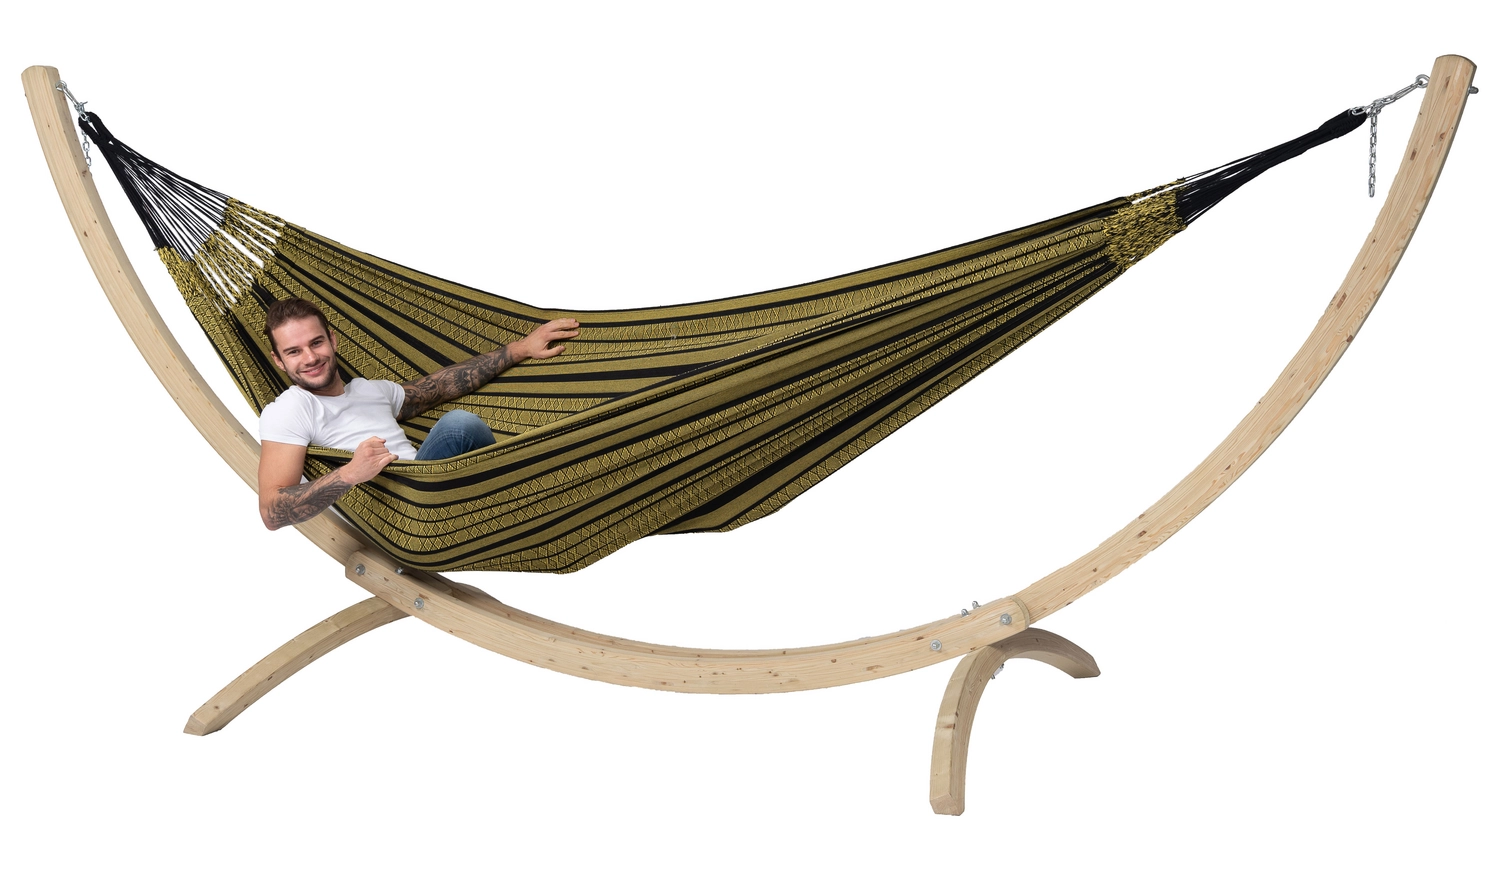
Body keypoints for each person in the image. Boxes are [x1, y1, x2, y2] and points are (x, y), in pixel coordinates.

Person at [257, 298, 579, 531]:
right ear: (278, 361)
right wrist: (350, 474)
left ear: (333, 341)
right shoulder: (292, 408)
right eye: (294, 351)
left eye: (316, 343)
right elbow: (271, 513)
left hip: (437, 490)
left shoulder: (370, 390)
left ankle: (523, 503)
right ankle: (525, 501)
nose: (310, 357)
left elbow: (440, 387)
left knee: (532, 431)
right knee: (459, 425)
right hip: (408, 519)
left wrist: (521, 349)